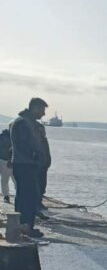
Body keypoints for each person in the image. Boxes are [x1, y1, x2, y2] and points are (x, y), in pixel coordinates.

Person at [9, 98, 49, 240]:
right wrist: (38, 157)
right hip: (25, 165)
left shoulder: (25, 122)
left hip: (24, 164)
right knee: (27, 198)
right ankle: (25, 227)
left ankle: (24, 226)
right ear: (35, 108)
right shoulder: (23, 123)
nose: (43, 113)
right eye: (42, 110)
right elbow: (28, 144)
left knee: (25, 197)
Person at [0, 127, 12, 204]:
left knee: (4, 179)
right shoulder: (7, 137)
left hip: (6, 160)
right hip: (8, 160)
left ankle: (6, 196)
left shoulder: (2, 136)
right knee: (15, 180)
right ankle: (6, 196)